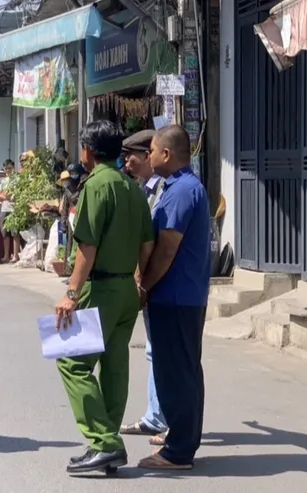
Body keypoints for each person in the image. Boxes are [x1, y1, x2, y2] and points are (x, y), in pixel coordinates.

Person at [53, 121, 154, 474]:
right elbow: (147, 243)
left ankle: (105, 442)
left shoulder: (96, 185)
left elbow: (87, 247)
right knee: (114, 366)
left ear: (88, 152)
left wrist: (70, 293)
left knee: (72, 363)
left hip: (101, 288)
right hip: (127, 287)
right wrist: (141, 284)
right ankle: (106, 440)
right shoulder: (132, 187)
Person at [137, 125, 211, 470]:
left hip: (176, 296)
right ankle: (180, 439)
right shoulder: (176, 187)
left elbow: (166, 249)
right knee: (181, 370)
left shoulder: (182, 191)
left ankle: (179, 451)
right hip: (180, 295)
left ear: (166, 154)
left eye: (151, 150)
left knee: (178, 373)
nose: (148, 156)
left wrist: (144, 286)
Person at [116, 129, 169, 445]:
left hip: (158, 282)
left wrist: (142, 281)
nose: (127, 163)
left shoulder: (165, 189)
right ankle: (155, 415)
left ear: (150, 155)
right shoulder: (144, 189)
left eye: (131, 156)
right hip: (148, 282)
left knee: (164, 353)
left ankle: (166, 420)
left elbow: (156, 242)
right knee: (152, 351)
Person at [0, 158, 20, 263]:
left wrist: (11, 196)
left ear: (13, 168)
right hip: (5, 209)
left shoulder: (18, 180)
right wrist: (6, 197)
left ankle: (15, 255)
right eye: (6, 168)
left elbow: (19, 194)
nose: (8, 170)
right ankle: (6, 256)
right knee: (5, 234)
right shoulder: (3, 181)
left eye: (9, 168)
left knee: (15, 233)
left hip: (15, 209)